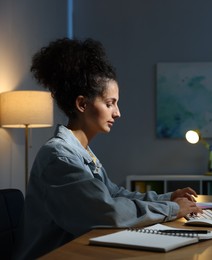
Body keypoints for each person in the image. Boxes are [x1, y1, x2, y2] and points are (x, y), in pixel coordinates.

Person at [15, 38, 202, 259]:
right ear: (82, 104)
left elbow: (115, 194)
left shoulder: (81, 153)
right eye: (110, 103)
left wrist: (168, 198)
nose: (117, 112)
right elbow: (107, 212)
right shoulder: (58, 157)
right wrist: (173, 209)